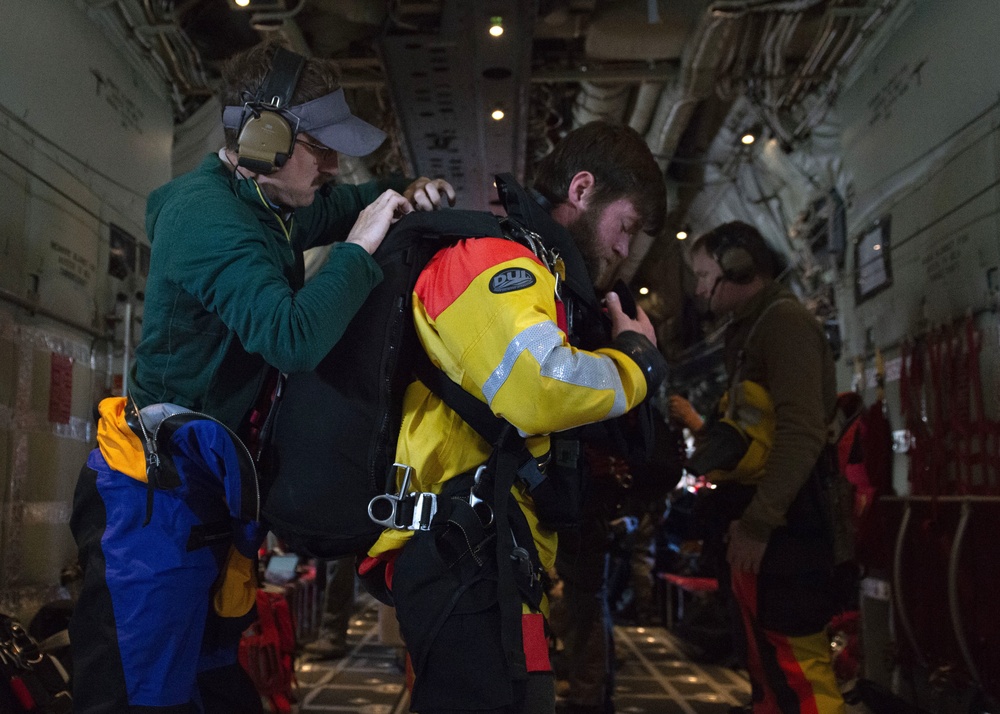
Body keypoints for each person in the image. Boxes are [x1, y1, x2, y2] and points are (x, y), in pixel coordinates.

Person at [69, 40, 454, 713]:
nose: (333, 165)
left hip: (207, 492)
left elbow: (341, 203)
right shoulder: (208, 218)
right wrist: (360, 247)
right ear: (261, 138)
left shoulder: (268, 199)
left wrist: (399, 197)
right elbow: (292, 337)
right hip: (151, 500)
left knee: (211, 680)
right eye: (319, 146)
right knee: (137, 695)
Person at [361, 121, 668, 714]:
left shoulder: (536, 279)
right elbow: (538, 387)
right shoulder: (490, 259)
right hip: (462, 556)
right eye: (625, 226)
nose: (625, 250)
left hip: (485, 556)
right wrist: (638, 364)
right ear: (582, 190)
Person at [687, 221, 844, 714]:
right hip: (768, 524)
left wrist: (758, 523)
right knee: (767, 669)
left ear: (737, 266)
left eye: (704, 273)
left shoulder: (784, 323)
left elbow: (802, 433)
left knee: (797, 670)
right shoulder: (751, 329)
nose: (697, 287)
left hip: (787, 528)